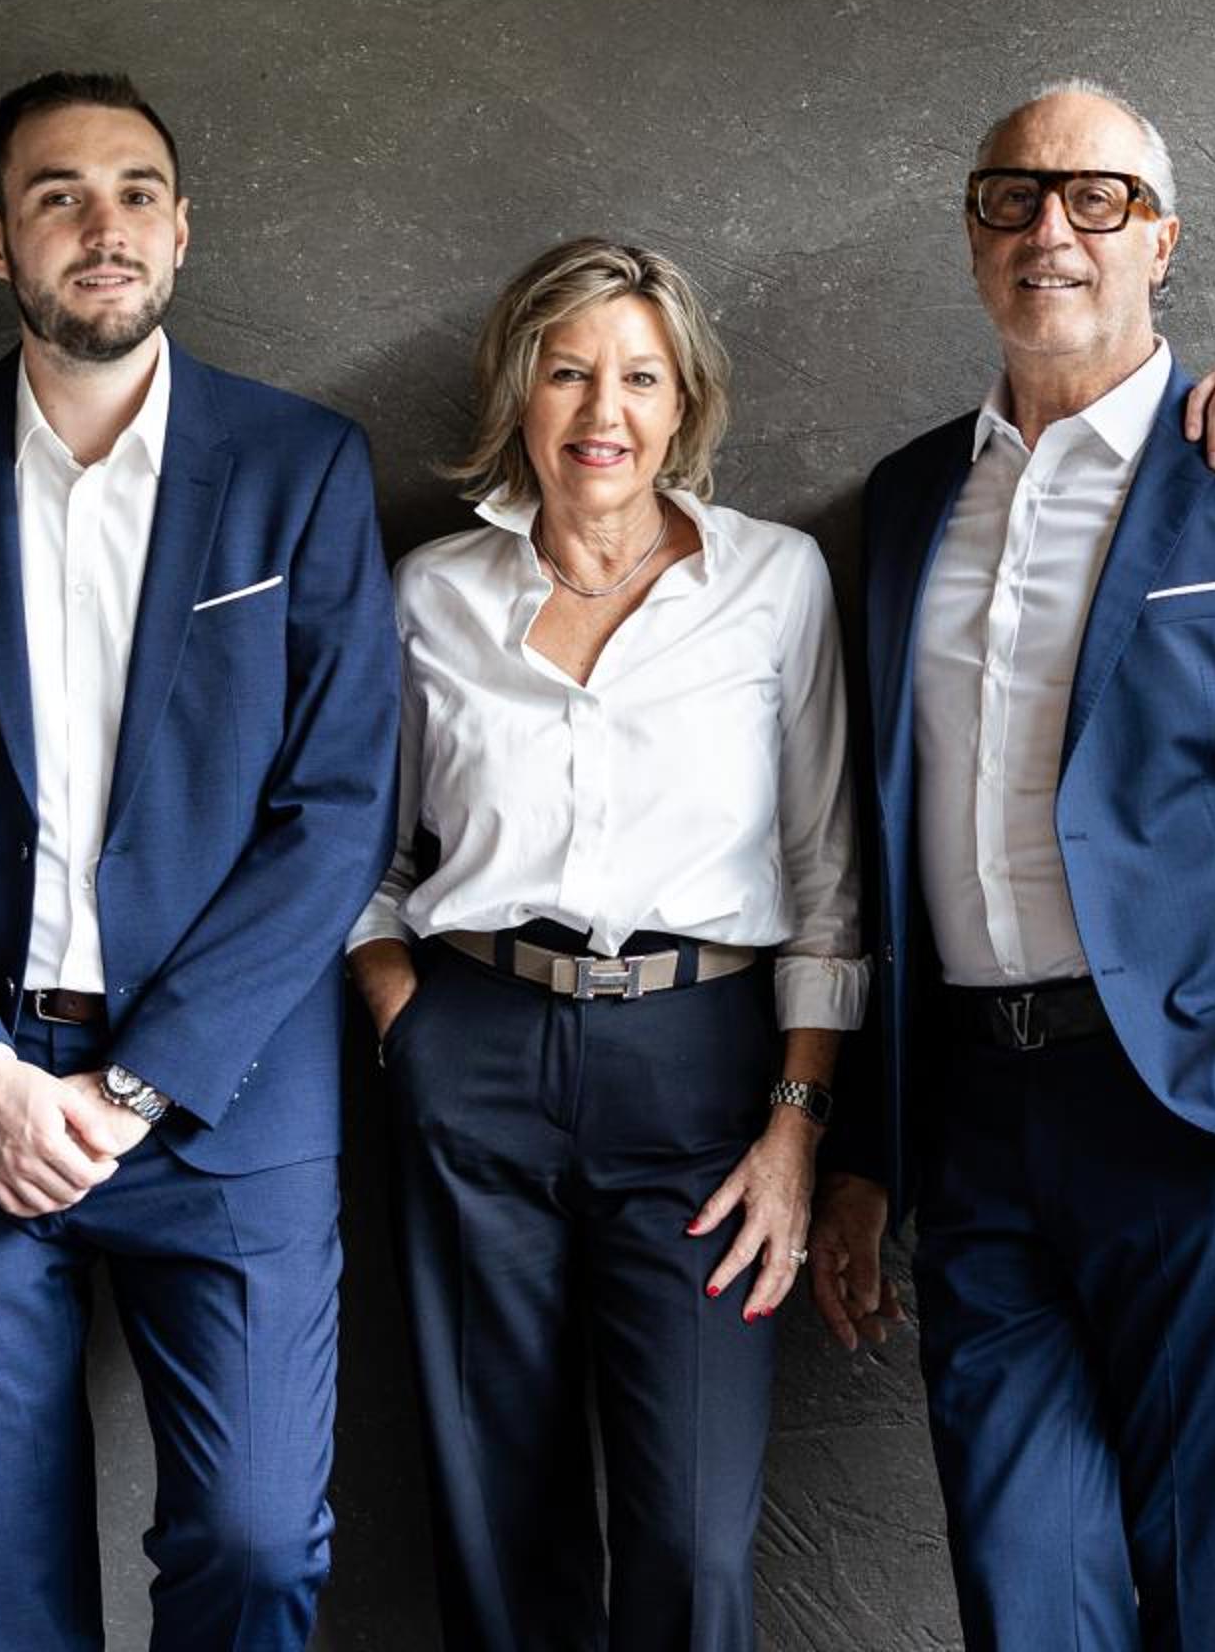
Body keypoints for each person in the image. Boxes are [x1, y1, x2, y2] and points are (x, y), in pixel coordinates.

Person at [804, 81, 1215, 1649]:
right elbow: (874, 843)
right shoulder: (906, 502)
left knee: (1213, 1601)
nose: (1052, 228)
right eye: (1012, 196)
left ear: (1161, 240)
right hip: (976, 1125)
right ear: (973, 235)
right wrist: (869, 1149)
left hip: (1212, 1116)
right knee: (1024, 1591)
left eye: (1097, 197)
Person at [0, 71, 396, 1650]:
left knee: (257, 1542)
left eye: (135, 193)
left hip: (225, 1100)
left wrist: (141, 1085)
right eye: (58, 195)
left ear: (183, 231)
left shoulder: (298, 465)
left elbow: (337, 810)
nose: (102, 226)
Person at [343, 238, 864, 1651]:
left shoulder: (775, 582)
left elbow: (826, 877)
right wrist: (406, 1022)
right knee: (500, 1524)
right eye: (568, 372)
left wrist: (797, 1123)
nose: (603, 412)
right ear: (519, 391)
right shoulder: (430, 593)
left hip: (705, 1074)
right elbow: (366, 858)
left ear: (685, 402)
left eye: (640, 376)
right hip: (475, 1050)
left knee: (692, 1542)